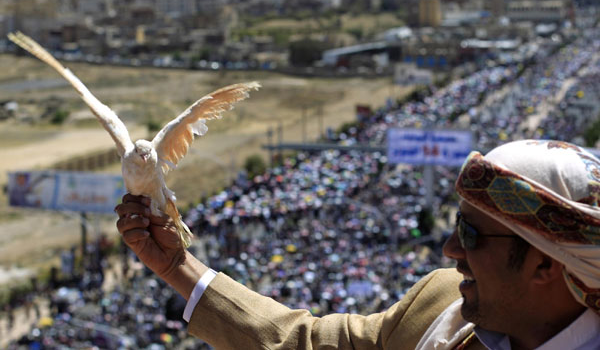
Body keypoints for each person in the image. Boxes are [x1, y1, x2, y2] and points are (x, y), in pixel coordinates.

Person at [115, 139, 600, 349]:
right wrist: (177, 265)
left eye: (471, 234)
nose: (450, 249)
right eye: (456, 224)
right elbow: (304, 343)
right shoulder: (437, 304)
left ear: (544, 264)